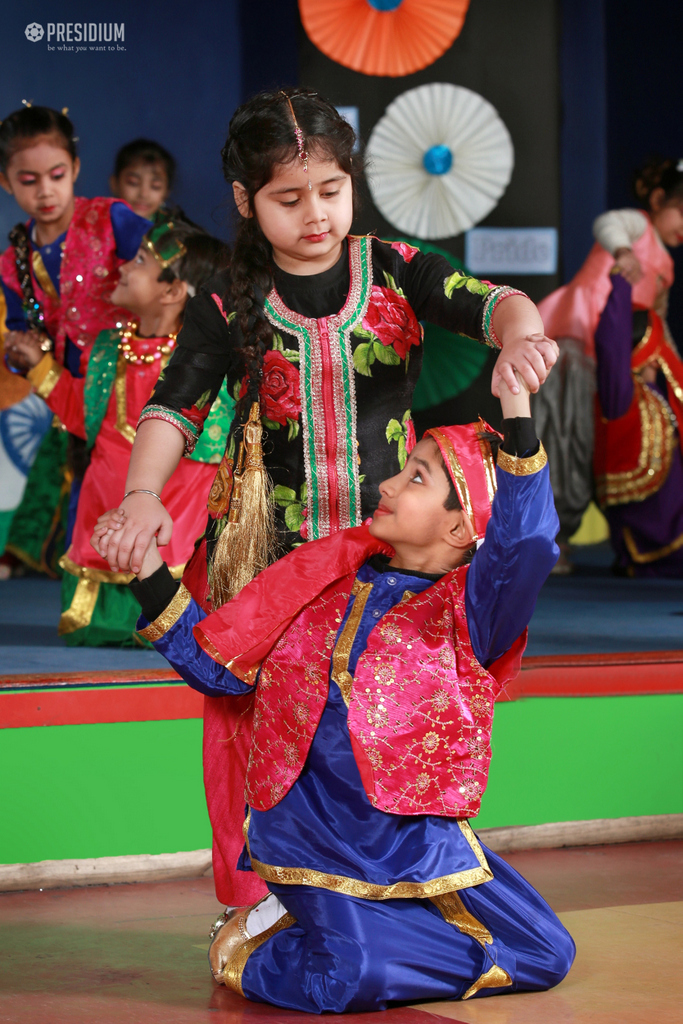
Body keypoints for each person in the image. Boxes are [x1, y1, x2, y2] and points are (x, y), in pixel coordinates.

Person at [93, 87, 558, 905]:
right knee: (253, 727)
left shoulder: (393, 268)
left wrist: (521, 338)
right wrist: (140, 495)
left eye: (331, 191)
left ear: (351, 182)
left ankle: (386, 889)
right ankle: (260, 900)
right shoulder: (223, 300)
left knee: (386, 723)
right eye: (288, 198)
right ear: (245, 200)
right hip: (273, 559)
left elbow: (493, 305)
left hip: (390, 557)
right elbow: (174, 403)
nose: (315, 215)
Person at [123, 367, 573, 1011]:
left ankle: (377, 933)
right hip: (316, 838)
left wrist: (519, 416)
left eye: (416, 478)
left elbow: (525, 541)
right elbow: (216, 669)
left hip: (418, 844)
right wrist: (148, 576)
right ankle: (253, 945)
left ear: (458, 527)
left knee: (547, 952)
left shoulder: (473, 615)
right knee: (351, 975)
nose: (387, 484)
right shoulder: (317, 580)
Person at [9, 220, 232, 644]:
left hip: (175, 516)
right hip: (103, 498)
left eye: (141, 261)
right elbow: (81, 414)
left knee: (180, 622)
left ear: (170, 292)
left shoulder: (200, 364)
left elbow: (210, 445)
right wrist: (39, 368)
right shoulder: (107, 348)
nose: (124, 267)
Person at [0, 104, 151, 574]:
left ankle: (154, 602)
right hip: (72, 392)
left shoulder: (113, 219)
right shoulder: (12, 261)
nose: (45, 190)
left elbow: (165, 278)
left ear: (75, 169)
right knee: (87, 490)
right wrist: (21, 356)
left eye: (57, 174)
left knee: (138, 487)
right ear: (6, 182)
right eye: (28, 180)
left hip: (135, 382)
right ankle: (90, 604)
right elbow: (25, 331)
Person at [535, 157, 683, 570]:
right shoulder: (635, 225)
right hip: (577, 338)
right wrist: (622, 250)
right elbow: (608, 224)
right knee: (566, 437)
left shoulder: (665, 264)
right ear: (657, 199)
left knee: (595, 446)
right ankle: (552, 541)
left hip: (614, 366)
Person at [594, 270, 683, 577]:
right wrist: (621, 283)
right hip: (648, 532)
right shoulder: (621, 392)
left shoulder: (659, 395)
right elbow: (610, 342)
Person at [109, 137, 176, 224]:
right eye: (133, 182)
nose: (144, 194)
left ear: (166, 192)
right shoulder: (93, 227)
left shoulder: (173, 234)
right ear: (114, 184)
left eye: (155, 186)